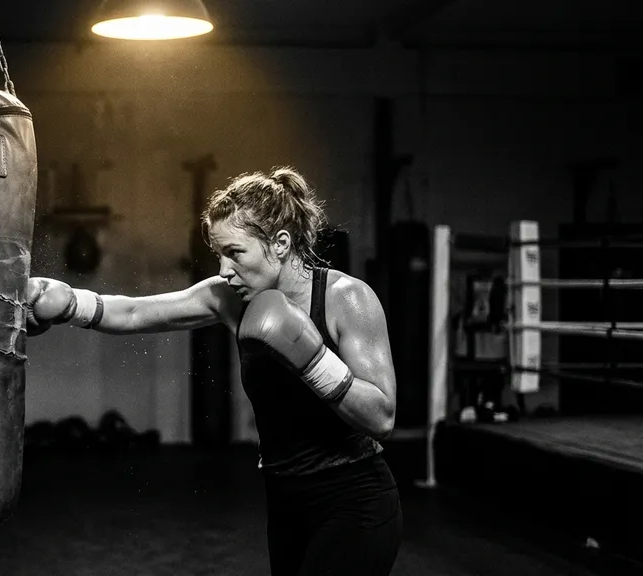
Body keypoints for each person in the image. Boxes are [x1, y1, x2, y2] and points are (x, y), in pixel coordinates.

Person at [26, 166, 402, 575]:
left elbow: (382, 417)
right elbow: (136, 312)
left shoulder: (346, 298)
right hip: (285, 501)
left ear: (279, 243)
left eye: (235, 253)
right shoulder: (228, 298)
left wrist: (314, 361)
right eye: (219, 255)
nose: (224, 270)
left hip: (354, 500)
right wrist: (69, 303)